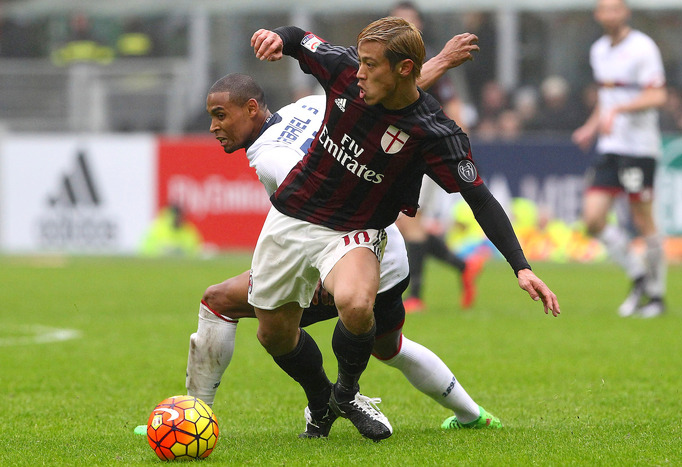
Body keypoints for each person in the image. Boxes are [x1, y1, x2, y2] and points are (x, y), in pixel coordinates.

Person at [250, 17, 560, 441]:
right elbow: (300, 38)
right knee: (270, 331)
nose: (358, 72)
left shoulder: (434, 133)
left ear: (404, 69)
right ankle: (323, 402)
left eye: (370, 64)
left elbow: (480, 198)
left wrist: (521, 266)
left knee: (358, 307)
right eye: (360, 61)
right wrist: (276, 38)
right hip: (291, 217)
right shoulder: (346, 72)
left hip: (353, 232)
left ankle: (347, 392)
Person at [186, 77, 502, 440]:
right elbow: (377, 96)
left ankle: (338, 397)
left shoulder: (273, 158)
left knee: (254, 313)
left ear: (251, 109)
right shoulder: (307, 106)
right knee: (386, 345)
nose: (213, 126)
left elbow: (320, 204)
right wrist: (438, 64)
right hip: (365, 245)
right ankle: (466, 413)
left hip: (360, 248)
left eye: (220, 115)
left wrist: (321, 275)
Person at [571, 0, 667, 318]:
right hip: (610, 147)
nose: (609, 14)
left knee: (642, 219)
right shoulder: (599, 49)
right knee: (593, 219)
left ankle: (656, 296)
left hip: (639, 148)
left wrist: (620, 111)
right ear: (598, 14)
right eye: (604, 9)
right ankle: (639, 274)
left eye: (615, 8)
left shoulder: (643, 47)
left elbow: (658, 94)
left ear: (625, 11)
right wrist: (590, 126)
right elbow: (606, 98)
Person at [389, 1, 485, 314]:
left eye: (411, 20)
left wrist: (460, 145)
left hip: (425, 148)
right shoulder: (383, 58)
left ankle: (415, 295)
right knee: (404, 224)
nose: (406, 25)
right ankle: (462, 266)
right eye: (399, 20)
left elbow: (451, 102)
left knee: (410, 222)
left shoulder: (427, 58)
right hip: (399, 150)